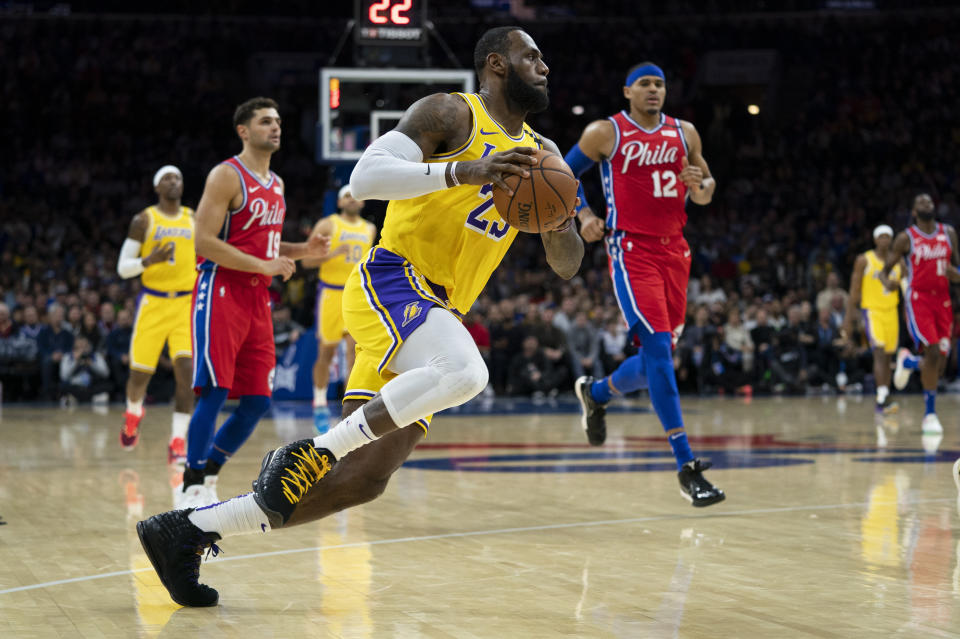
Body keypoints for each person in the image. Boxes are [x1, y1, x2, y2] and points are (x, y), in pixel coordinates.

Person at [137, 26, 582, 607]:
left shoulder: (542, 154)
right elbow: (364, 178)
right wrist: (462, 172)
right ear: (497, 65)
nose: (545, 65)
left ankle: (188, 530)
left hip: (433, 315)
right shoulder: (453, 114)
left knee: (362, 480)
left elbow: (568, 264)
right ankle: (315, 448)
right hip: (392, 282)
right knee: (468, 374)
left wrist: (557, 213)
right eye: (532, 56)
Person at [564, 61, 724, 506]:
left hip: (676, 251)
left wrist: (701, 184)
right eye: (645, 84)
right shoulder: (605, 133)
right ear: (628, 91)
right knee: (657, 349)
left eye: (660, 83)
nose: (654, 90)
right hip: (631, 250)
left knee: (660, 356)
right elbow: (562, 174)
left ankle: (596, 393)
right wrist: (586, 216)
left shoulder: (684, 133)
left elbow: (707, 188)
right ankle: (687, 465)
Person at [174, 97, 330, 509]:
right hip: (220, 287)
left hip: (257, 296)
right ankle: (190, 480)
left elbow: (270, 245)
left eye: (278, 121)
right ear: (244, 130)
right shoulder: (226, 175)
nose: (275, 127)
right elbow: (204, 242)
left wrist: (303, 249)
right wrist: (265, 263)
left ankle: (209, 471)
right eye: (265, 122)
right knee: (215, 390)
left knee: (259, 400)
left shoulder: (276, 183)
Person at [116, 166, 196, 462]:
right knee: (139, 376)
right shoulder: (144, 220)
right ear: (156, 187)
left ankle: (177, 440)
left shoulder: (193, 218)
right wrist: (149, 260)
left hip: (185, 304)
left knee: (186, 373)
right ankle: (133, 413)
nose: (174, 181)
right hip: (153, 303)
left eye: (178, 177)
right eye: (167, 178)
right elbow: (123, 268)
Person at [301, 184, 376, 434]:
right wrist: (333, 253)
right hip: (331, 294)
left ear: (362, 202)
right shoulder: (328, 225)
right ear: (340, 202)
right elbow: (308, 260)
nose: (352, 200)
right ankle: (320, 404)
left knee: (354, 354)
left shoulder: (369, 229)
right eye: (346, 196)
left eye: (355, 196)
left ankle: (351, 411)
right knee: (326, 352)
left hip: (356, 293)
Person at [883, 193, 960, 434]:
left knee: (939, 364)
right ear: (914, 212)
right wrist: (890, 283)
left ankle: (907, 361)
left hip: (943, 301)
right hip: (919, 300)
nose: (927, 203)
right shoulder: (906, 238)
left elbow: (957, 268)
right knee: (934, 352)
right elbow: (886, 270)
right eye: (921, 202)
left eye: (929, 201)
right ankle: (929, 415)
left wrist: (955, 274)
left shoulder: (948, 233)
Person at [842, 224, 903, 413]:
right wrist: (849, 318)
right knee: (878, 351)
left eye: (887, 236)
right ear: (875, 240)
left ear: (892, 239)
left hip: (891, 312)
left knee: (887, 356)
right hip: (872, 311)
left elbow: (904, 287)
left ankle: (884, 395)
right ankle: (882, 396)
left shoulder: (899, 262)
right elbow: (854, 291)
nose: (884, 240)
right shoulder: (864, 260)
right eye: (881, 236)